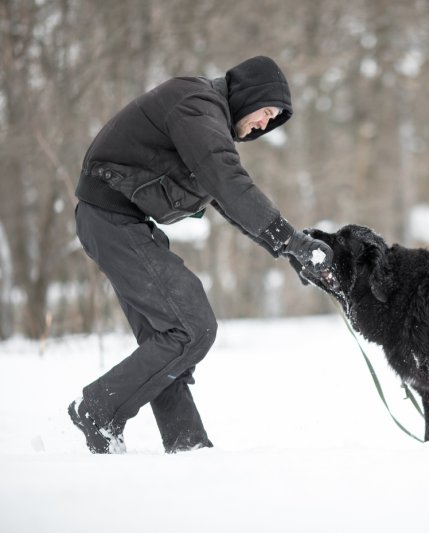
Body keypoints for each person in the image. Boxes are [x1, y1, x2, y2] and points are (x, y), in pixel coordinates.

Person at [68, 56, 332, 454]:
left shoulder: (206, 120)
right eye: (265, 112)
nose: (264, 124)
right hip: (111, 219)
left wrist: (288, 251)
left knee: (168, 337)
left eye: (272, 119)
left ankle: (186, 444)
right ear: (247, 96)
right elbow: (229, 183)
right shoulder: (195, 104)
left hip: (120, 223)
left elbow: (225, 200)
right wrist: (294, 241)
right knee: (192, 328)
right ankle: (98, 411)